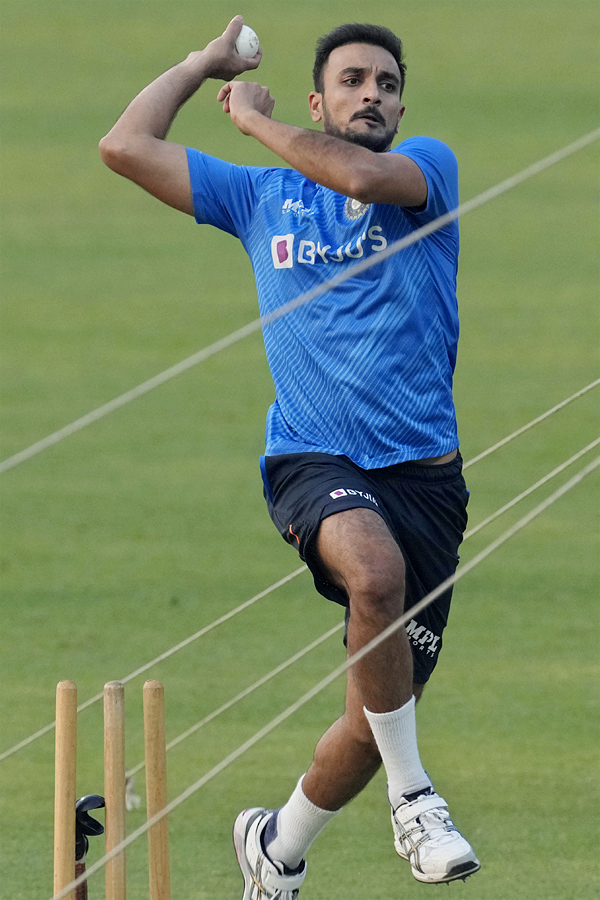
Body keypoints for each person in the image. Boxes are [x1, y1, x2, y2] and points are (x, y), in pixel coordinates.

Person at [100, 16, 481, 896]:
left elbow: (354, 172)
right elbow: (124, 145)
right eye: (353, 81)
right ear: (321, 98)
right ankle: (416, 801)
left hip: (426, 479)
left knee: (367, 720)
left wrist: (253, 121)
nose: (373, 96)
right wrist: (202, 65)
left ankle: (276, 849)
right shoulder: (262, 197)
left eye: (386, 84)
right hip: (312, 460)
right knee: (375, 577)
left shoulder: (424, 169)